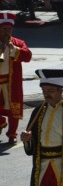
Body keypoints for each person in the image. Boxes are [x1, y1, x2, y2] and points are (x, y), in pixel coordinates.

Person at [0, 12, 32, 143]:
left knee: (13, 109)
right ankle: (1, 123)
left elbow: (28, 56)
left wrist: (14, 50)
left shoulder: (18, 42)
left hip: (11, 83)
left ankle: (12, 134)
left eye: (9, 29)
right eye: (3, 29)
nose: (7, 32)